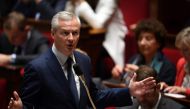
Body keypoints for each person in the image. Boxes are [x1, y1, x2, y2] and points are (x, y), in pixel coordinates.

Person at [7, 11, 156, 109]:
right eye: (65, 33)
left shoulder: (83, 60)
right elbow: (28, 105)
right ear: (53, 34)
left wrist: (129, 91)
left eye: (75, 33)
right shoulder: (37, 68)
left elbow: (95, 97)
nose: (71, 38)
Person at [65, 0, 129, 80]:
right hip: (91, 41)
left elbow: (98, 24)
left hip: (109, 45)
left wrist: (81, 3)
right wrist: (73, 3)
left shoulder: (109, 1)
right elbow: (67, 23)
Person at [0, 11, 49, 106]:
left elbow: (45, 57)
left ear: (26, 29)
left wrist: (11, 59)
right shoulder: (6, 38)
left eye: (14, 37)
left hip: (32, 91)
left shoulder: (39, 40)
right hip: (11, 86)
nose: (11, 41)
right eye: (8, 37)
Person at [112, 19, 176, 86]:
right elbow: (124, 81)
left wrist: (141, 74)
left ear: (158, 43)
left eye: (148, 38)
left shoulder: (168, 67)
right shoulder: (135, 58)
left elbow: (163, 91)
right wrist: (119, 74)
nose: (142, 43)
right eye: (140, 39)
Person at [161, 27, 190, 98]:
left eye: (185, 50)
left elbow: (182, 90)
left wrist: (185, 91)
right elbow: (178, 89)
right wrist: (168, 88)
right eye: (180, 49)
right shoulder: (182, 62)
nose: (182, 53)